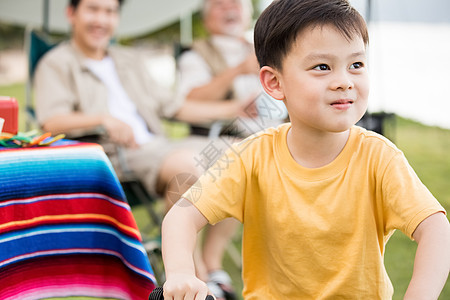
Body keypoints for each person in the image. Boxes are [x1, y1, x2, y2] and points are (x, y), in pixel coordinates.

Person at [161, 0, 450, 299]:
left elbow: (436, 229)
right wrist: (182, 273)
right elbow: (181, 214)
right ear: (274, 83)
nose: (344, 82)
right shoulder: (249, 156)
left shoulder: (379, 158)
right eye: (322, 67)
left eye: (356, 65)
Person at [33, 0, 256, 293]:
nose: (102, 19)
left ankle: (212, 263)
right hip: (117, 155)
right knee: (189, 166)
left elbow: (174, 106)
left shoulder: (127, 59)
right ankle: (193, 278)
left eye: (110, 11)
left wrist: (234, 108)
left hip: (159, 145)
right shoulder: (56, 63)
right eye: (93, 9)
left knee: (243, 153)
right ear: (71, 13)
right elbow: (51, 120)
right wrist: (102, 118)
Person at [177, 0, 287, 138]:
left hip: (280, 134)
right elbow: (189, 101)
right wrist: (238, 70)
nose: (228, 8)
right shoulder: (194, 55)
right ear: (206, 20)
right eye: (219, 4)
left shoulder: (264, 47)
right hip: (230, 140)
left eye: (235, 3)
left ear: (248, 13)